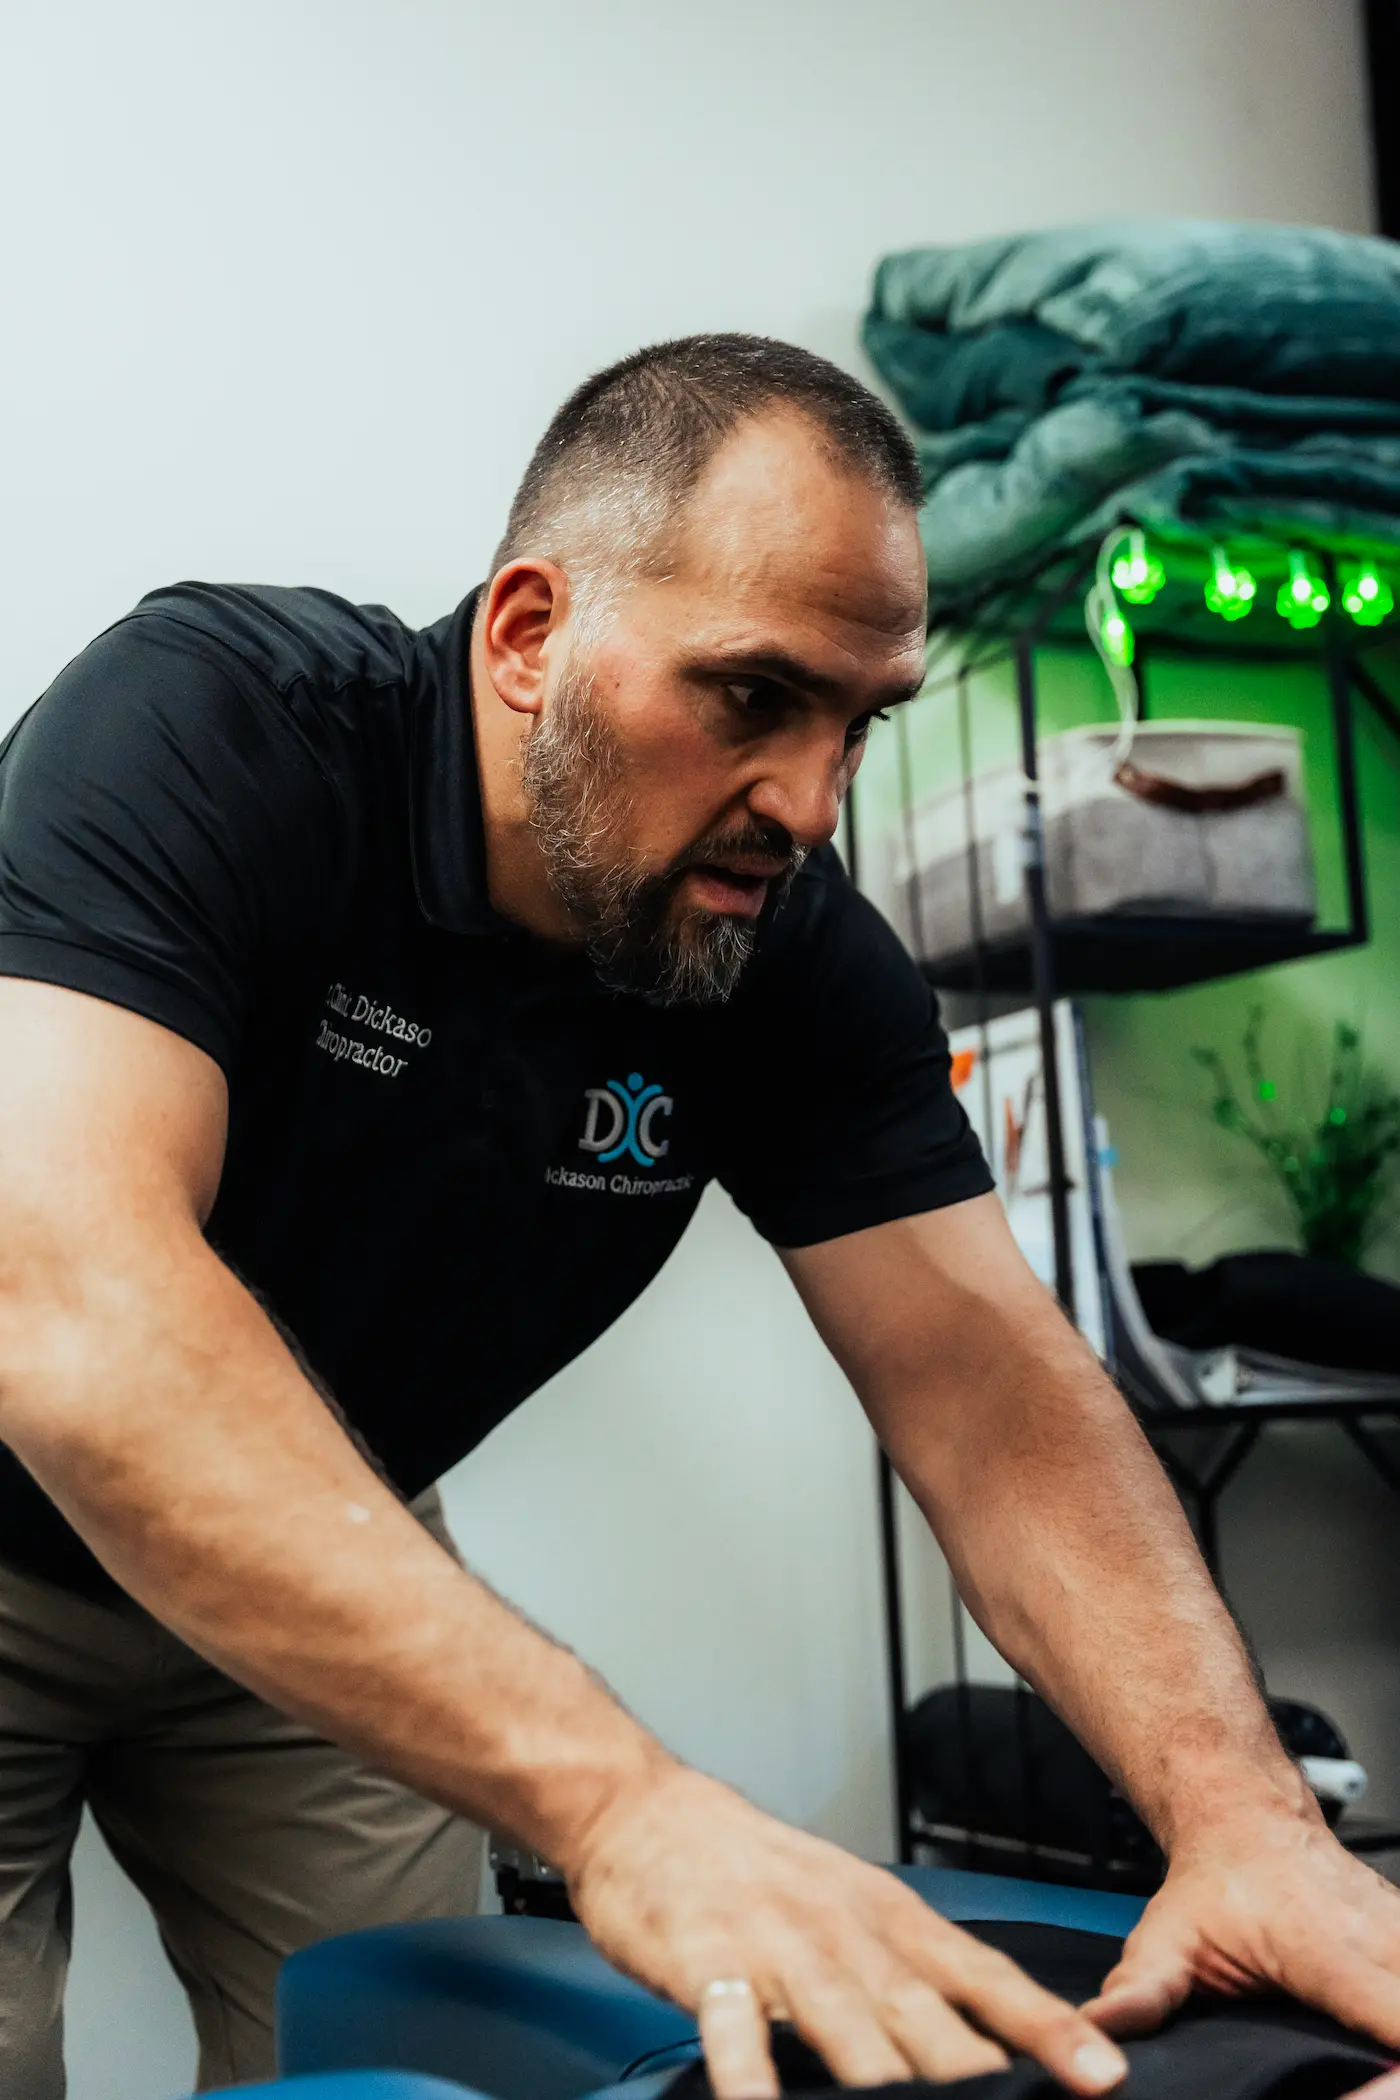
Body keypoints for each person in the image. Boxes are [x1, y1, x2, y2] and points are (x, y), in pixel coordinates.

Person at [0, 335, 1396, 2100]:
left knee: (409, 2055)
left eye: (858, 724)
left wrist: (1248, 1820)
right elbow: (71, 1292)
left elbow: (991, 1385)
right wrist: (625, 1804)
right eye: (751, 698)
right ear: (529, 636)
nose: (811, 805)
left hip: (312, 1531)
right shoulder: (215, 731)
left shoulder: (781, 941)